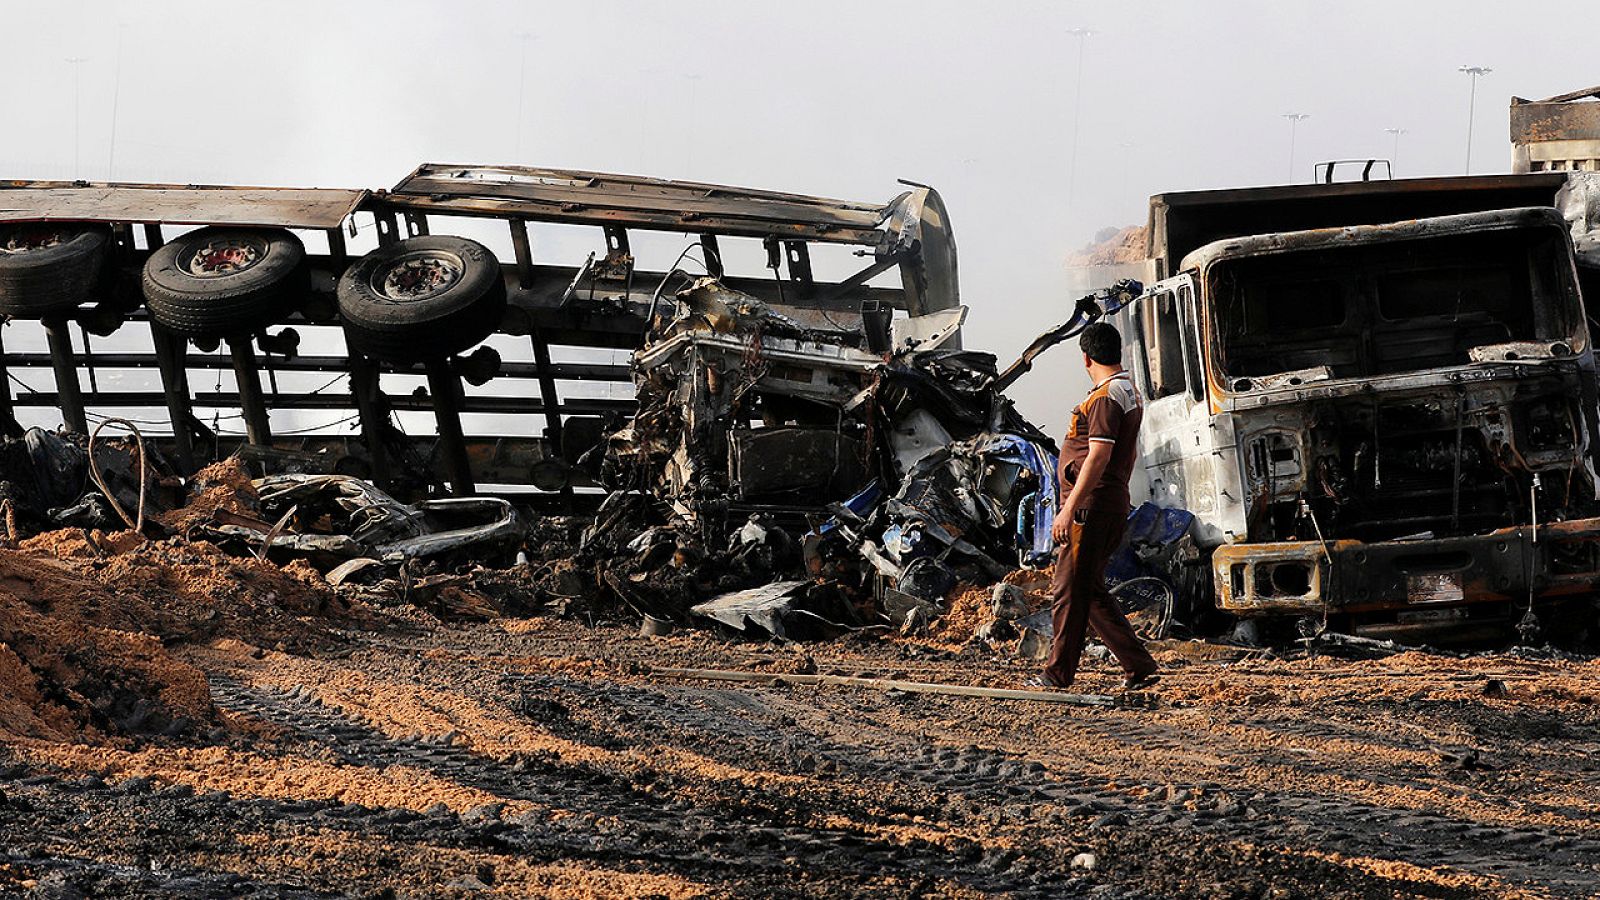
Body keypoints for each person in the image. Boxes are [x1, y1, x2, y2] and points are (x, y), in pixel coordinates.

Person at [1036, 322, 1160, 691]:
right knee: (1088, 590)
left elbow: (1098, 455)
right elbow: (1128, 451)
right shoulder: (1129, 391)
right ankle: (1139, 665)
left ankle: (1057, 674)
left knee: (1068, 588)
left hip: (1090, 506)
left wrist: (1069, 508)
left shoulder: (1105, 396)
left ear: (1086, 357)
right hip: (1107, 502)